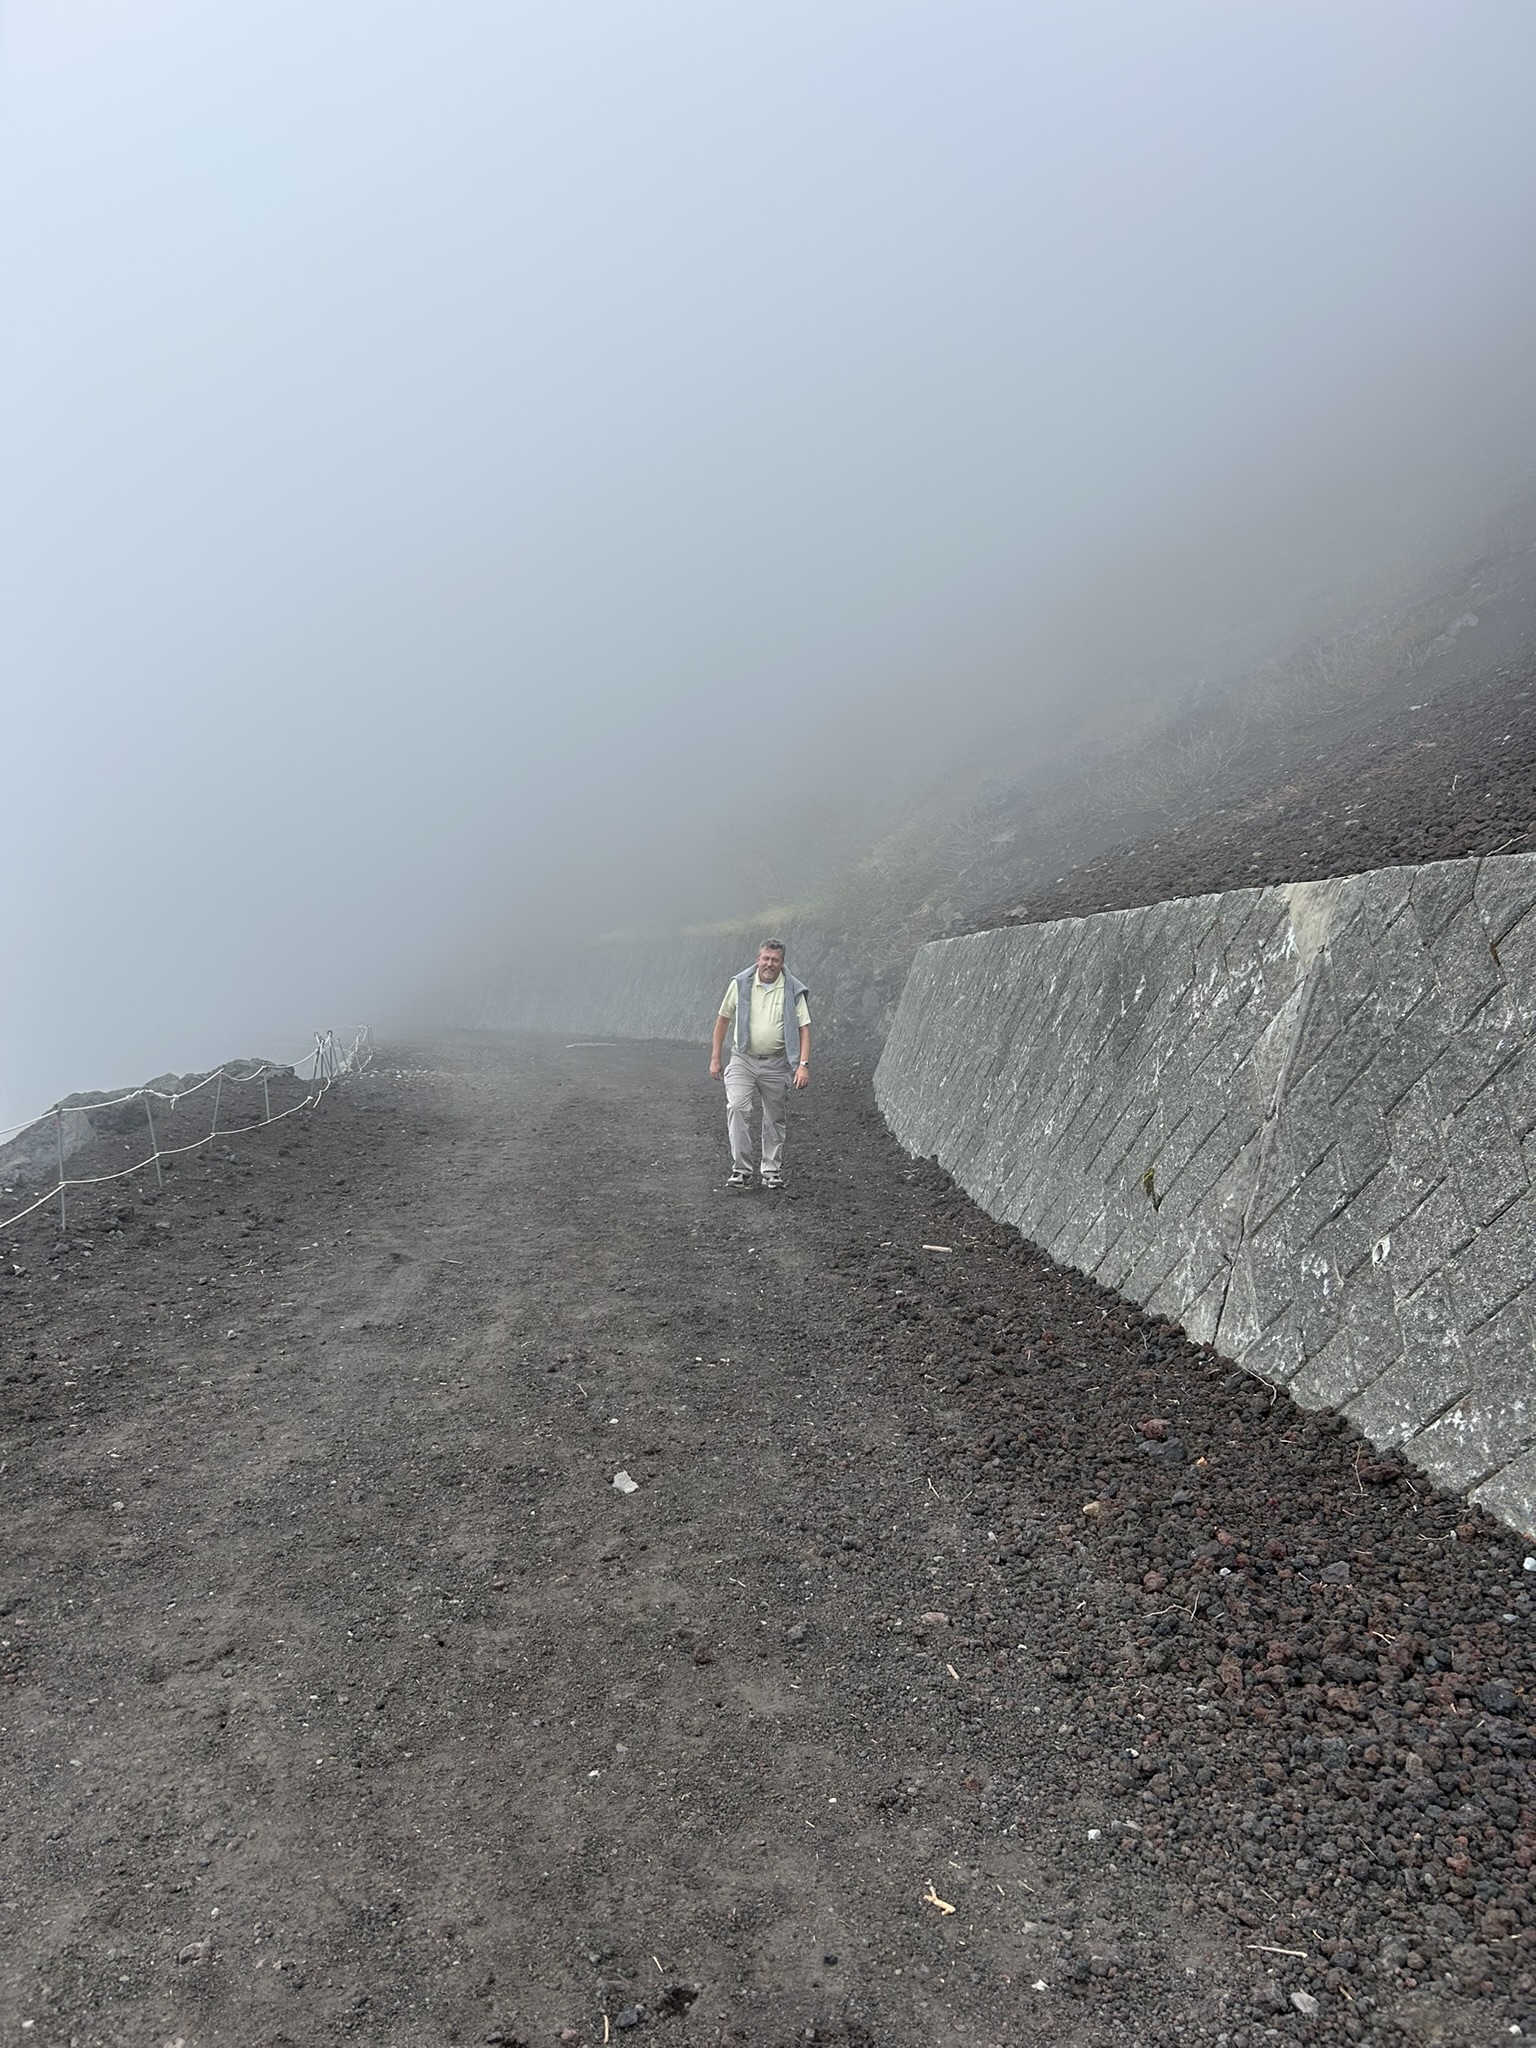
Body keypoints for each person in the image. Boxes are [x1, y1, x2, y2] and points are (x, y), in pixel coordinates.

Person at [709, 939, 811, 1189]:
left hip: (777, 1063)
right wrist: (715, 1058)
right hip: (743, 1058)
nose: (769, 964)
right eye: (765, 958)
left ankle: (771, 1171)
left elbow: (804, 1030)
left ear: (782, 963)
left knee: (774, 1116)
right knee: (736, 1107)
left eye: (775, 960)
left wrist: (803, 1065)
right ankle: (741, 1170)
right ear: (757, 959)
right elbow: (723, 1019)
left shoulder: (792, 989)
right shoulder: (740, 984)